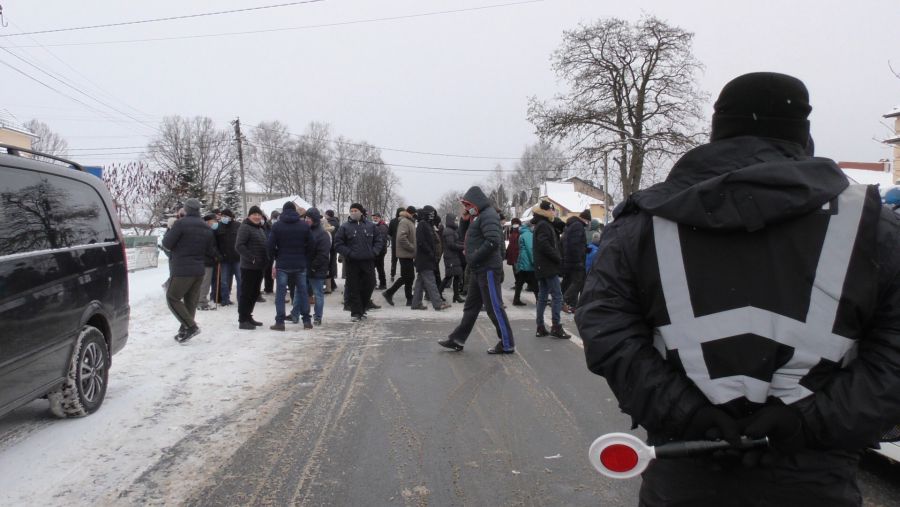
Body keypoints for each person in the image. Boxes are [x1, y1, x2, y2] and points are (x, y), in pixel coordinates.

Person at [576, 72, 900, 506]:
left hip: (687, 470)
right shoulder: (874, 226)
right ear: (804, 136)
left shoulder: (646, 220)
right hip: (812, 479)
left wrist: (690, 413)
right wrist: (804, 422)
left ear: (716, 132)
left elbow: (605, 327)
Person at [438, 186, 515, 354]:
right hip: (478, 269)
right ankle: (457, 339)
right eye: (465, 205)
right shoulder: (476, 217)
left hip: (487, 268)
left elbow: (493, 241)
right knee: (471, 307)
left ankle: (507, 343)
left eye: (468, 205)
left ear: (476, 202)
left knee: (494, 307)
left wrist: (473, 257)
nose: (466, 208)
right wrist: (465, 220)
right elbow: (463, 236)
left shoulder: (488, 215)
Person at [161, 198, 215, 343]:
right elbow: (210, 250)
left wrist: (171, 230)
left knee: (172, 298)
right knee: (190, 301)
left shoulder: (180, 224)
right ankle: (184, 330)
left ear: (186, 209)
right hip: (199, 269)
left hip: (182, 269)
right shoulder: (206, 227)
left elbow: (166, 243)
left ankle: (191, 327)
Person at [333, 203, 385, 322]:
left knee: (370, 284)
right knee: (353, 287)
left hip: (368, 261)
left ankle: (363, 306)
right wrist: (349, 253)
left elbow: (379, 240)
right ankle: (356, 312)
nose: (353, 212)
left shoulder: (371, 226)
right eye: (351, 210)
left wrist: (374, 252)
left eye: (356, 210)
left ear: (361, 212)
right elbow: (338, 243)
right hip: (352, 262)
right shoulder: (345, 227)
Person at [267, 201, 313, 331]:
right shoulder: (304, 226)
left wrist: (276, 256)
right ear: (295, 211)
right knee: (303, 292)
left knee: (281, 294)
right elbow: (312, 244)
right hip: (300, 264)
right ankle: (307, 321)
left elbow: (270, 246)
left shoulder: (277, 226)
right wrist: (305, 256)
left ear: (283, 210)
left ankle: (280, 322)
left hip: (282, 264)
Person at [531, 201, 570, 339]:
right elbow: (544, 245)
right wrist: (558, 258)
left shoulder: (542, 224)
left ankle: (540, 327)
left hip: (543, 266)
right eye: (552, 210)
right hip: (548, 266)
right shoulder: (544, 225)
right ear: (547, 212)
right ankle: (556, 326)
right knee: (557, 296)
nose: (554, 212)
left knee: (542, 297)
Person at [410, 205, 451, 311]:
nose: (432, 216)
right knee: (430, 281)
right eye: (431, 213)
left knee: (420, 282)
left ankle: (416, 303)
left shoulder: (428, 224)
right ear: (426, 214)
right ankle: (438, 304)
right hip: (424, 258)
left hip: (427, 258)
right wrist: (430, 253)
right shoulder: (422, 225)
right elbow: (421, 242)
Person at [235, 206, 269, 330]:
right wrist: (252, 258)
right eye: (254, 214)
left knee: (254, 293)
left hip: (259, 267)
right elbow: (239, 246)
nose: (257, 216)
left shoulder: (259, 228)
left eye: (259, 214)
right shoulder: (245, 227)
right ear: (249, 216)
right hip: (249, 267)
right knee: (246, 293)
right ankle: (243, 319)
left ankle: (248, 316)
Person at [382, 206, 416, 307]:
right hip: (405, 253)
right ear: (411, 213)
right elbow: (401, 238)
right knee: (407, 277)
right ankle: (389, 293)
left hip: (407, 254)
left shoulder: (408, 221)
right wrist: (411, 247)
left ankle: (409, 298)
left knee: (409, 277)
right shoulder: (405, 222)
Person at [305, 208, 332, 326]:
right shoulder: (307, 231)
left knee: (318, 294)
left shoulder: (322, 234)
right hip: (306, 267)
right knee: (301, 293)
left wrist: (313, 267)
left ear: (314, 219)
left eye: (308, 218)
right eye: (306, 218)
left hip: (317, 269)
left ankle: (318, 317)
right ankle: (296, 314)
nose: (306, 220)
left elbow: (323, 254)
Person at [561, 209, 590, 313]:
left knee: (570, 281)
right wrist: (580, 257)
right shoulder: (578, 226)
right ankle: (563, 300)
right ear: (585, 219)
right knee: (578, 282)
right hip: (576, 260)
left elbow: (572, 243)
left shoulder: (571, 225)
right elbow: (575, 244)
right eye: (588, 221)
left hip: (569, 259)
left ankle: (572, 305)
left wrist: (585, 248)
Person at [214, 209, 241, 306]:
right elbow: (214, 243)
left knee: (240, 280)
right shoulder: (218, 227)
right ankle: (225, 299)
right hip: (224, 259)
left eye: (226, 216)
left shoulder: (238, 226)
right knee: (224, 281)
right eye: (223, 216)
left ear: (231, 217)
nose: (224, 218)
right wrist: (218, 255)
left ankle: (241, 299)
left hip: (237, 258)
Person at [197, 213, 221, 311]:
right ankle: (201, 302)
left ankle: (200, 300)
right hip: (206, 260)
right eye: (214, 221)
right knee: (205, 282)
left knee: (203, 282)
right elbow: (209, 247)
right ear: (208, 221)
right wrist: (217, 255)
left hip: (205, 260)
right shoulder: (206, 231)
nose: (215, 223)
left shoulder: (207, 230)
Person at [441, 213, 465, 303]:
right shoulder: (448, 231)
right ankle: (439, 293)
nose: (456, 222)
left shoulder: (451, 230)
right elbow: (452, 245)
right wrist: (463, 247)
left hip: (453, 256)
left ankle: (456, 296)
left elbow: (456, 242)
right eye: (455, 220)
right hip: (450, 257)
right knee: (448, 276)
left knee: (457, 276)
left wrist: (464, 244)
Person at [513, 220, 538, 306]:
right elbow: (530, 249)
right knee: (534, 282)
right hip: (528, 262)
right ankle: (539, 300)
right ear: (530, 226)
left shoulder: (523, 233)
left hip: (522, 262)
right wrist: (534, 261)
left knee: (520, 282)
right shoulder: (528, 235)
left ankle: (516, 299)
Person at [505, 217, 523, 305]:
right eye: (513, 223)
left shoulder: (520, 233)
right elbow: (510, 244)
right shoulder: (512, 232)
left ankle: (518, 285)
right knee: (515, 271)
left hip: (517, 255)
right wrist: (507, 252)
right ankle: (517, 284)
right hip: (512, 255)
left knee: (518, 272)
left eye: (516, 223)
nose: (514, 224)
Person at [372, 212, 390, 290]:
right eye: (374, 218)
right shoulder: (376, 225)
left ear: (379, 218)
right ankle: (378, 283)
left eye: (376, 218)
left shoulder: (382, 226)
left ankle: (381, 284)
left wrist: (376, 251)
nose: (374, 219)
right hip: (377, 250)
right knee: (378, 268)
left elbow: (381, 240)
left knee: (378, 268)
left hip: (379, 251)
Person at [325, 210, 341, 292]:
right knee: (332, 264)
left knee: (329, 265)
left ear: (328, 215)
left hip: (330, 247)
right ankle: (332, 284)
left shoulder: (330, 223)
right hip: (334, 246)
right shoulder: (336, 222)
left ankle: (331, 285)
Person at [388, 207, 403, 282]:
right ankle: (403, 275)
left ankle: (392, 275)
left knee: (394, 260)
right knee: (402, 260)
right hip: (403, 244)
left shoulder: (393, 221)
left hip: (394, 243)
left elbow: (389, 232)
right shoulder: (405, 221)